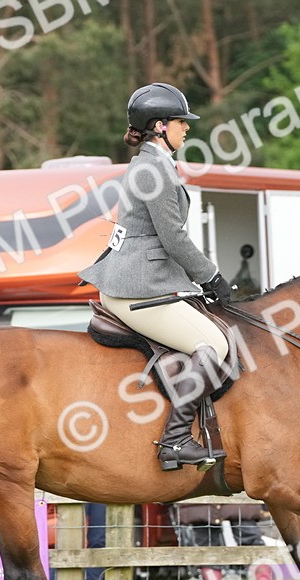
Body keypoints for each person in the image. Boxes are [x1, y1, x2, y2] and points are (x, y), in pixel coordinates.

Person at [78, 82, 232, 472]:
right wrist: (212, 277)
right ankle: (176, 439)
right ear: (160, 126)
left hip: (147, 280)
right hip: (137, 288)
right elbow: (173, 237)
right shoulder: (153, 169)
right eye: (181, 121)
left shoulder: (154, 163)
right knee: (214, 344)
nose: (187, 127)